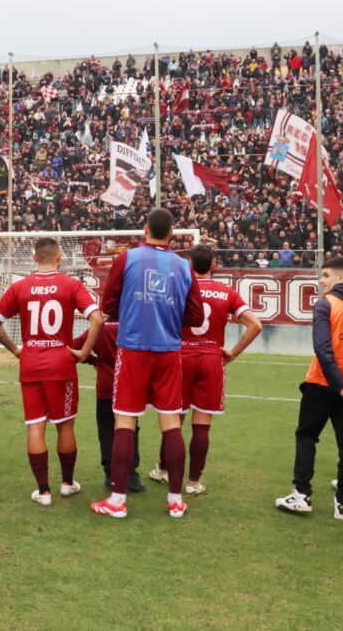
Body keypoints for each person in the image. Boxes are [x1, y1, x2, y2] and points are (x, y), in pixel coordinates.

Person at [89, 209, 204, 519]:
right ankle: (176, 500)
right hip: (168, 351)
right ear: (172, 234)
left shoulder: (127, 259)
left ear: (145, 229)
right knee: (170, 423)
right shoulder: (183, 266)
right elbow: (197, 317)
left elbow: (108, 306)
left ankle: (117, 501)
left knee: (125, 422)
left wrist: (134, 308)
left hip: (133, 349)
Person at [0, 237, 104, 507]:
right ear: (59, 257)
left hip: (31, 363)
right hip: (61, 364)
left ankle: (43, 491)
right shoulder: (71, 284)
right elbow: (97, 318)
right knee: (64, 425)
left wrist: (17, 350)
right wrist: (85, 352)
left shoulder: (20, 286)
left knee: (35, 427)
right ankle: (67, 483)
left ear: (34, 258)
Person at [149, 244, 263, 494]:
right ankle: (193, 482)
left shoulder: (178, 289)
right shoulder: (227, 292)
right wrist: (233, 352)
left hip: (180, 356)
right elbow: (255, 325)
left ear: (189, 264)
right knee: (202, 423)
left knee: (174, 419)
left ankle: (164, 470)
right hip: (211, 359)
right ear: (214, 265)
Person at [275, 256, 343, 519]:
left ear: (341, 278)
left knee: (307, 436)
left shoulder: (326, 304)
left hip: (323, 384)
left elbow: (322, 348)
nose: (322, 280)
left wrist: (340, 384)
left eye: (326, 276)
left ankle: (302, 495)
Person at [72, 320, 146, 492]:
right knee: (131, 430)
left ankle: (111, 476)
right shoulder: (134, 324)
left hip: (106, 387)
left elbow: (73, 348)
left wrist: (93, 361)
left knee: (107, 432)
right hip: (130, 386)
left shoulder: (100, 329)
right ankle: (131, 475)